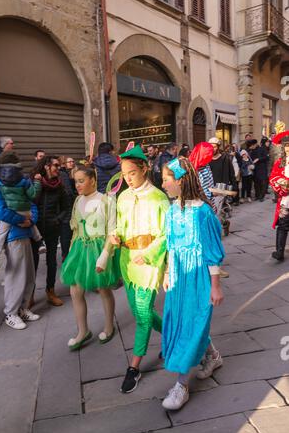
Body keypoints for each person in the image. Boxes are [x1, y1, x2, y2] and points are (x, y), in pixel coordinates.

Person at [161, 157, 224, 410]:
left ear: (181, 180)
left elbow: (212, 250)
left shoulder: (203, 212)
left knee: (192, 324)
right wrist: (167, 271)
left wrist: (216, 285)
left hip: (198, 276)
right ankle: (213, 356)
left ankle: (181, 385)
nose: (163, 184)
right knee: (183, 322)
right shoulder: (172, 210)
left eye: (166, 179)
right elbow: (170, 245)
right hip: (177, 275)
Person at [110, 145, 170, 393]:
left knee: (143, 314)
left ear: (145, 168)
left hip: (149, 264)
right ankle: (173, 335)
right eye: (124, 175)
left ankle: (134, 367)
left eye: (132, 173)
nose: (127, 179)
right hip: (127, 261)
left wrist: (149, 254)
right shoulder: (123, 197)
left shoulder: (159, 198)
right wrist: (114, 235)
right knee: (137, 312)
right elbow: (120, 226)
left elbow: (167, 234)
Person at [61, 163, 120, 350]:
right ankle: (82, 331)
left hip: (100, 248)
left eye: (81, 181)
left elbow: (112, 230)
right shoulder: (78, 201)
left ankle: (109, 326)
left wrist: (105, 255)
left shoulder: (107, 201)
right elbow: (76, 229)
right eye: (75, 181)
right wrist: (71, 252)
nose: (77, 185)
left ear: (92, 180)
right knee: (75, 291)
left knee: (103, 289)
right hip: (79, 249)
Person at [0, 157, 40, 330]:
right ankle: (11, 313)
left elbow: (30, 203)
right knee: (16, 276)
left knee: (29, 275)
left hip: (25, 233)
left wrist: (31, 220)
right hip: (13, 236)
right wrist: (23, 220)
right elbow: (1, 212)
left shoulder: (16, 183)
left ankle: (23, 308)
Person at [0, 152, 45, 271]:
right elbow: (33, 194)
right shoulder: (24, 178)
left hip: (11, 210)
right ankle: (40, 242)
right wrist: (37, 182)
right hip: (25, 210)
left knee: (0, 234)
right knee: (31, 224)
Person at [30, 156, 68, 306]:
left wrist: (58, 219)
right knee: (33, 262)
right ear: (46, 166)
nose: (58, 168)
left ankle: (50, 291)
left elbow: (66, 207)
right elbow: (29, 201)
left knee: (52, 262)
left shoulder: (60, 185)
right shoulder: (35, 182)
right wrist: (37, 183)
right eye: (56, 166)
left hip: (53, 228)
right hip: (35, 230)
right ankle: (30, 294)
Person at [269, 131, 289, 261]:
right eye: (286, 145)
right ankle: (279, 252)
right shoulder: (280, 162)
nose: (288, 148)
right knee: (283, 225)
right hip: (286, 199)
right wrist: (280, 183)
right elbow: (272, 177)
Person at [59, 157, 77, 261]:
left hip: (68, 208)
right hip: (67, 209)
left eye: (72, 161)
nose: (72, 163)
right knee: (66, 234)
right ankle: (66, 256)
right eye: (69, 161)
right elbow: (69, 192)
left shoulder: (75, 172)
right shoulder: (64, 174)